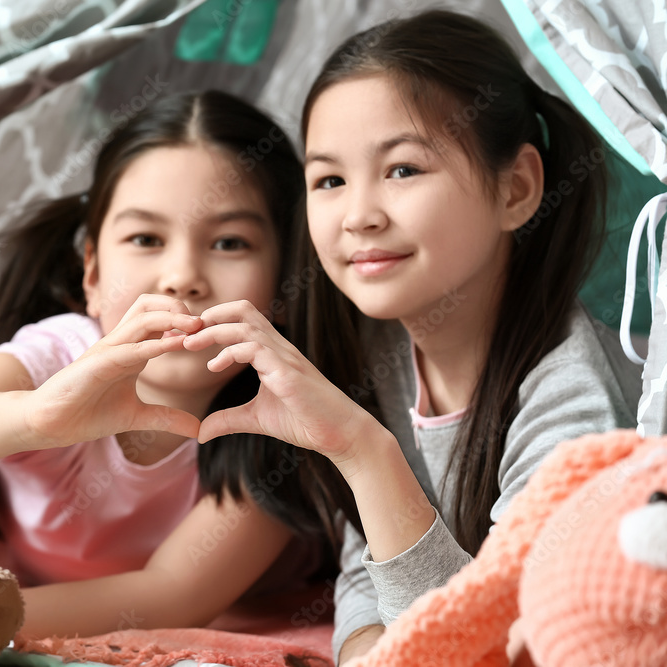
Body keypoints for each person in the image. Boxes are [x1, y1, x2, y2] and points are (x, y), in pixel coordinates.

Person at [177, 10, 642, 663]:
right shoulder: (378, 354)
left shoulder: (576, 396)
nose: (359, 216)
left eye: (402, 169)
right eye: (330, 180)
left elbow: (497, 643)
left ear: (515, 188)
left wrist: (366, 452)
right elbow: (365, 576)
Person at [0, 90, 349, 638]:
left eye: (230, 242)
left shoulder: (283, 413)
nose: (183, 276)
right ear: (92, 275)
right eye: (146, 238)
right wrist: (38, 416)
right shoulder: (56, 356)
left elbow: (166, 597)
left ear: (284, 282)